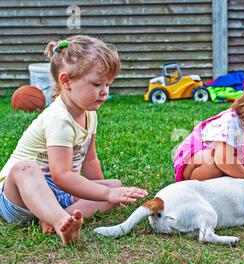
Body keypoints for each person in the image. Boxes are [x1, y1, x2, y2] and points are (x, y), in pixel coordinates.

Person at [0, 35, 148, 245]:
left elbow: (90, 161)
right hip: (19, 198)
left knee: (115, 185)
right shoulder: (59, 118)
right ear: (66, 81)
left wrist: (107, 194)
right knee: (26, 168)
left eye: (108, 84)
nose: (104, 91)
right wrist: (105, 194)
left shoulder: (90, 114)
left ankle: (55, 219)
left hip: (59, 194)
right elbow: (61, 176)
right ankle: (60, 220)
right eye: (97, 84)